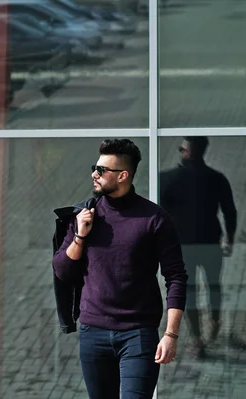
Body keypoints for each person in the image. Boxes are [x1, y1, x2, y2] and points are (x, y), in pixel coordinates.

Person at [52, 138, 188, 399]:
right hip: (93, 334)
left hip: (138, 335)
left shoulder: (154, 219)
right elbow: (62, 271)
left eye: (102, 170)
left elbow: (176, 277)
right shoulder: (85, 214)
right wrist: (80, 235)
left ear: (123, 175)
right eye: (96, 167)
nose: (94, 173)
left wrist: (171, 334)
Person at [159, 136, 239, 359]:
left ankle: (196, 338)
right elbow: (229, 211)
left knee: (189, 292)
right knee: (214, 287)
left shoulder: (167, 179)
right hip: (210, 243)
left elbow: (158, 215)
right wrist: (229, 240)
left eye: (182, 149)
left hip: (182, 247)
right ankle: (213, 321)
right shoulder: (216, 178)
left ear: (187, 152)